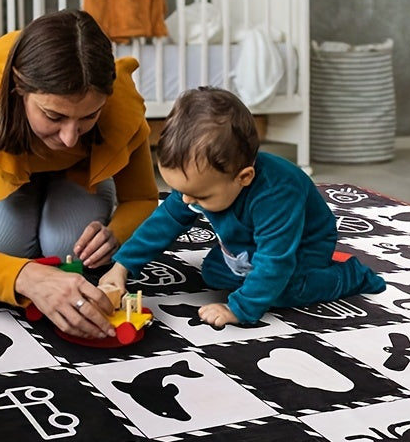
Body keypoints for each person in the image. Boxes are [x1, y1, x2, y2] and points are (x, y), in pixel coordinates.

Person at [0, 9, 160, 339]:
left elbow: (141, 198)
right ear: (18, 91)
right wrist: (26, 277)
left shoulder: (121, 104)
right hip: (9, 173)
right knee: (0, 247)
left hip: (80, 176)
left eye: (88, 117)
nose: (70, 137)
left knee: (71, 247)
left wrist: (118, 232)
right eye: (54, 116)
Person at [98, 87, 385, 327]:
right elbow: (165, 221)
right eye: (181, 191)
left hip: (301, 246)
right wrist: (122, 266)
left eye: (199, 196)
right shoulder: (199, 186)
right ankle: (254, 279)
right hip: (247, 242)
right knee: (212, 272)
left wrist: (240, 309)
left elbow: (275, 259)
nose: (187, 201)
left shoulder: (276, 193)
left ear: (243, 177)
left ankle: (349, 276)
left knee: (280, 288)